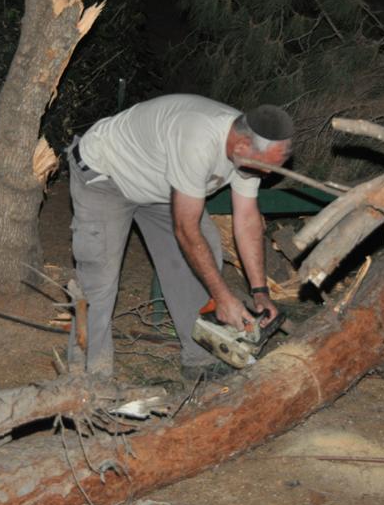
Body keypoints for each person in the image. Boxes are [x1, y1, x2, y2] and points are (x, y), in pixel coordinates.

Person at [66, 94, 294, 380]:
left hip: (162, 184)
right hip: (106, 175)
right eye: (265, 167)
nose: (267, 174)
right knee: (99, 279)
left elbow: (247, 219)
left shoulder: (250, 145)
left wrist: (260, 291)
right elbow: (186, 230)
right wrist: (223, 297)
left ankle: (199, 359)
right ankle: (88, 378)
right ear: (242, 146)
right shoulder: (198, 139)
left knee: (202, 256)